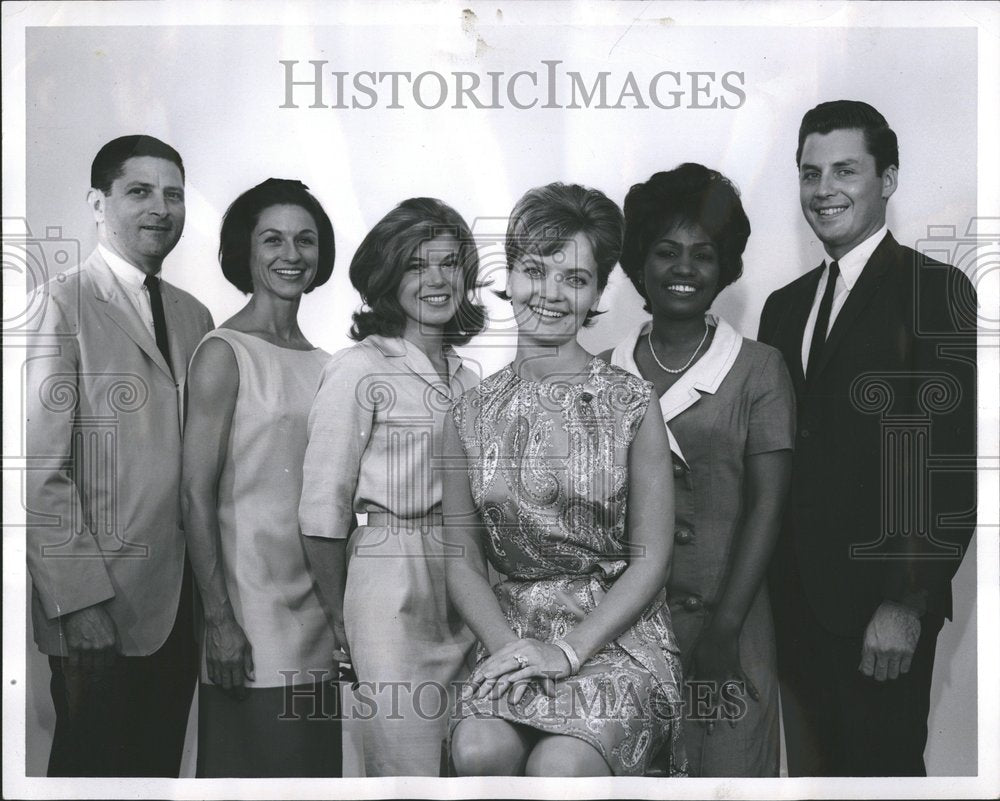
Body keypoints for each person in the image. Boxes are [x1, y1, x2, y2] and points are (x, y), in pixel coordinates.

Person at [758, 100, 977, 776]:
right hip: (790, 611)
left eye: (845, 170)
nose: (824, 190)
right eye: (809, 173)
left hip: (879, 612)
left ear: (889, 179)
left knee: (882, 779)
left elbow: (950, 462)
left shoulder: (936, 290)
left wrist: (907, 602)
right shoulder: (783, 305)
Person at [443, 182, 687, 778]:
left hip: (615, 637)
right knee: (478, 751)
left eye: (574, 279)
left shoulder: (633, 403)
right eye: (534, 270)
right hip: (512, 632)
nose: (549, 294)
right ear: (511, 277)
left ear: (598, 292)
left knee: (560, 768)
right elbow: (462, 563)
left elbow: (651, 560)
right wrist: (510, 648)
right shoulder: (468, 414)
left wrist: (567, 650)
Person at [25, 135, 213, 776]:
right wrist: (77, 602)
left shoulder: (194, 316)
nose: (161, 208)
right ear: (97, 203)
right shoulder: (59, 302)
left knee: (156, 776)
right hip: (99, 608)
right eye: (140, 191)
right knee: (89, 777)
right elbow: (36, 469)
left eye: (174, 194)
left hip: (179, 606)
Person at [603, 164, 794, 777]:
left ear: (726, 266)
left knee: (728, 777)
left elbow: (769, 505)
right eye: (666, 251)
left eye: (703, 254)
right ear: (639, 263)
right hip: (627, 633)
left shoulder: (760, 368)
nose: (684, 268)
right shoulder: (605, 369)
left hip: (728, 628)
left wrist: (727, 626)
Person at [298, 197, 488, 777]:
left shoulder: (470, 377)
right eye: (415, 265)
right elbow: (321, 510)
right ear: (387, 277)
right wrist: (339, 619)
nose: (436, 280)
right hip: (390, 574)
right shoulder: (359, 367)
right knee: (403, 766)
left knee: (470, 761)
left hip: (467, 579)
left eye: (449, 263)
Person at [181, 178, 340, 777]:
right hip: (250, 614)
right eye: (272, 240)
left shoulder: (329, 365)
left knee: (313, 776)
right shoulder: (224, 351)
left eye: (304, 240)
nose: (290, 255)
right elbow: (194, 496)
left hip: (317, 610)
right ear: (244, 253)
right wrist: (219, 619)